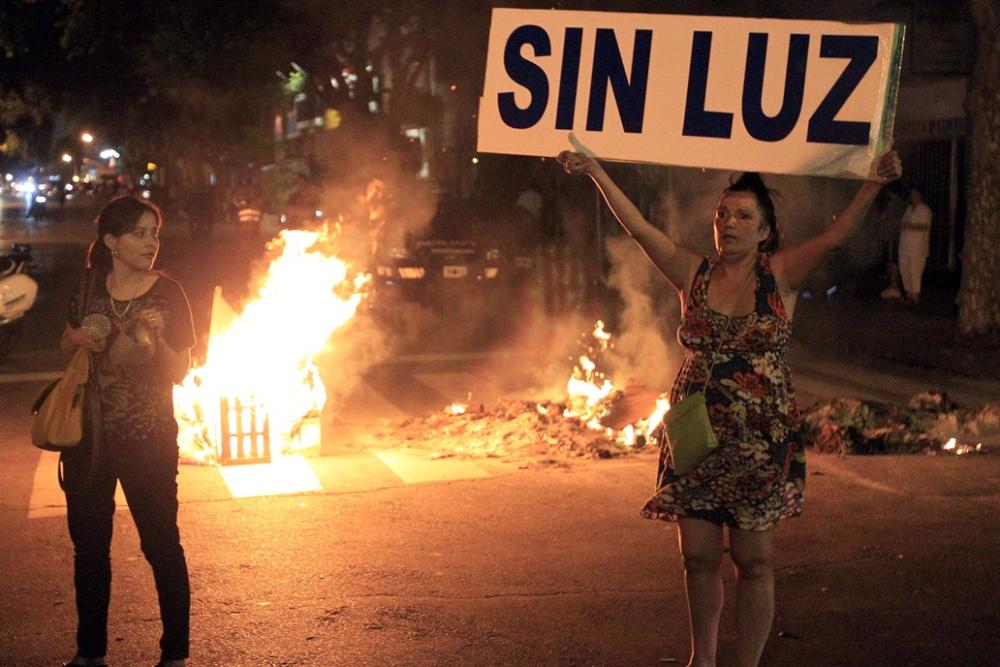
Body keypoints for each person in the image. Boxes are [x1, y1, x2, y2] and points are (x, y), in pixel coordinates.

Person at [558, 148, 901, 667]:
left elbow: (833, 238)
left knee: (754, 560)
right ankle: (704, 658)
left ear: (765, 231)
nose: (729, 224)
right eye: (723, 215)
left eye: (743, 216)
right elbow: (639, 230)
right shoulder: (691, 273)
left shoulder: (779, 275)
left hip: (761, 440)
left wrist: (873, 184)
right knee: (697, 557)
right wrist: (596, 173)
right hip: (696, 433)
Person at [59, 195, 195, 667]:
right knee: (90, 550)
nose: (150, 242)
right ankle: (89, 654)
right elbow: (67, 338)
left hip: (148, 438)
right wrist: (75, 339)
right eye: (139, 233)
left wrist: (155, 342)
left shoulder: (168, 293)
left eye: (153, 233)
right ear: (111, 242)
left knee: (160, 544)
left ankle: (174, 654)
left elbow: (181, 371)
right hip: (89, 439)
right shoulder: (90, 285)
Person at [897, 185, 932, 304]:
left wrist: (909, 225)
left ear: (921, 196)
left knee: (915, 270)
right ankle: (909, 292)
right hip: (905, 245)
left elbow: (924, 226)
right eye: (911, 195)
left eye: (915, 195)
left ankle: (915, 294)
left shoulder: (925, 210)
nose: (912, 197)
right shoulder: (908, 209)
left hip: (917, 246)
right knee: (904, 268)